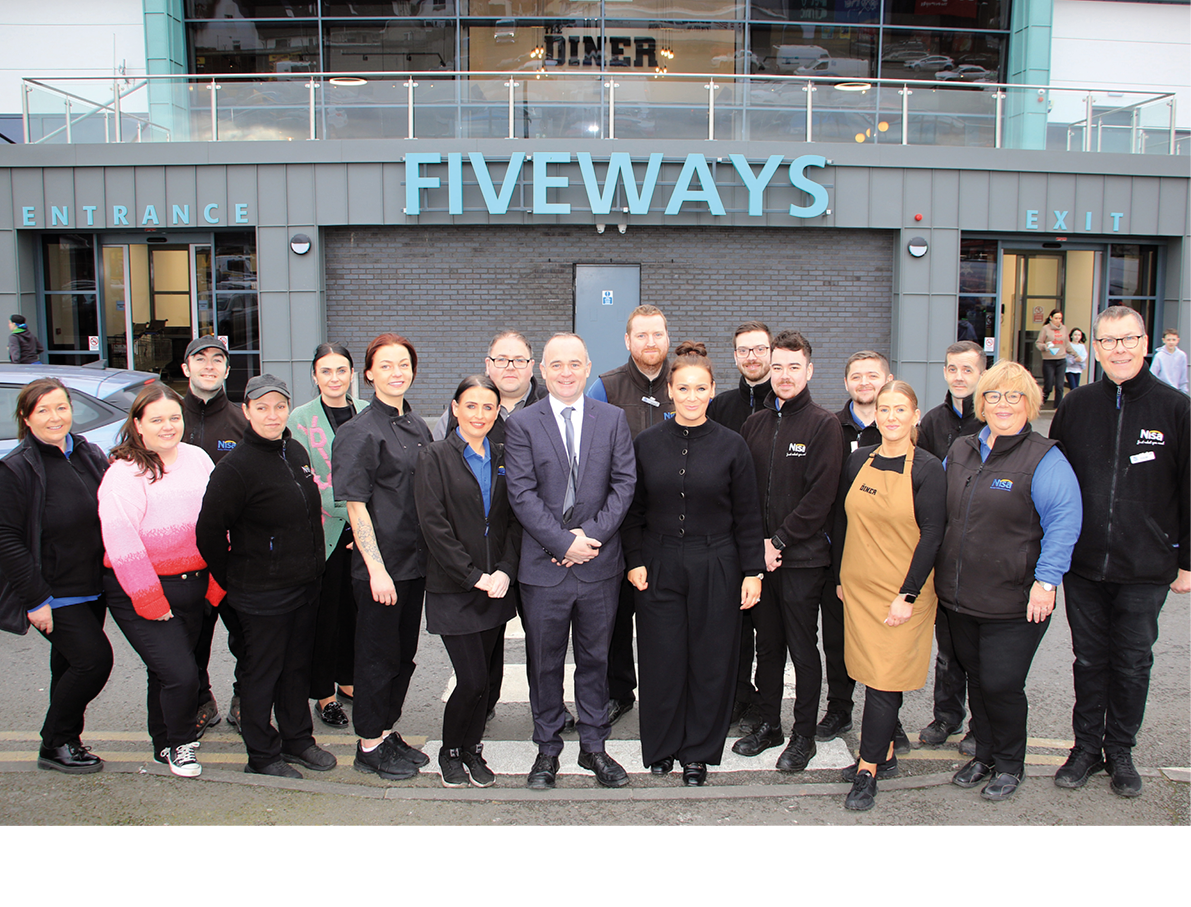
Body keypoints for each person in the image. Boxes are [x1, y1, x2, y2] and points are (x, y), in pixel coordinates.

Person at [1050, 306, 1191, 798]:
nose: (1118, 350)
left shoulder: (1176, 408)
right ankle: (1085, 748)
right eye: (1108, 342)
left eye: (1127, 340)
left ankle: (1121, 751)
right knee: (1088, 661)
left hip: (1146, 565)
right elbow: (1055, 483)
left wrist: (1186, 560)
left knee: (1132, 663)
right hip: (1084, 564)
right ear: (1097, 348)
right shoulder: (1076, 405)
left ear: (1145, 341)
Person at [938, 361, 1081, 801]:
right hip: (960, 596)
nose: (1003, 405)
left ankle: (1009, 764)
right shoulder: (961, 449)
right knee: (976, 679)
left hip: (1015, 600)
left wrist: (1047, 581)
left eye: (1014, 396)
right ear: (981, 403)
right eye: (994, 396)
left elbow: (1064, 520)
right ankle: (983, 754)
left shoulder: (1045, 457)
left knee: (1001, 683)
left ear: (1030, 403)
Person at [623, 342, 764, 786]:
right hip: (659, 563)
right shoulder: (645, 444)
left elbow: (748, 515)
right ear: (670, 390)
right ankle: (662, 748)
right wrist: (634, 560)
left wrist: (752, 571)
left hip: (717, 562)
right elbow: (633, 510)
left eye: (699, 388)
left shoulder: (732, 446)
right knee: (662, 658)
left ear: (711, 391)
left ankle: (699, 752)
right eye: (682, 387)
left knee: (710, 659)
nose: (690, 396)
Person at [505, 332, 636, 790]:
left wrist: (590, 538)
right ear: (542, 369)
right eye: (556, 364)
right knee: (543, 662)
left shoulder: (614, 419)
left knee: (595, 660)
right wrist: (562, 544)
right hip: (544, 568)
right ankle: (547, 751)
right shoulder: (522, 424)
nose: (565, 372)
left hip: (599, 565)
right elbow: (520, 494)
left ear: (587, 368)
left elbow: (624, 486)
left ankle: (595, 749)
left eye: (574, 364)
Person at [196, 375, 337, 779]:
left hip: (304, 586)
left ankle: (297, 741)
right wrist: (233, 579)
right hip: (260, 593)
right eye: (262, 407)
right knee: (261, 674)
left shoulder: (294, 451)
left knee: (296, 668)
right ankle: (261, 753)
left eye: (279, 406)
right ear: (247, 411)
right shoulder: (234, 468)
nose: (272, 415)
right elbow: (207, 533)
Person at [430, 330, 551, 727]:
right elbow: (441, 504)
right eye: (502, 359)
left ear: (532, 367)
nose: (510, 367)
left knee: (534, 640)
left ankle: (541, 708)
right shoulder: (462, 424)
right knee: (480, 657)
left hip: (527, 551)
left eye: (518, 360)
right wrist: (472, 570)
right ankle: (477, 711)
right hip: (474, 562)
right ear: (488, 364)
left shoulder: (549, 409)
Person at [98, 384, 220, 778]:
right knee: (180, 673)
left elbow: (220, 520)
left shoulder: (198, 458)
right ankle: (180, 744)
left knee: (168, 672)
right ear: (137, 425)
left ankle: (162, 741)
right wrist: (149, 598)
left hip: (195, 583)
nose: (168, 427)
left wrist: (218, 578)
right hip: (143, 589)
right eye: (157, 420)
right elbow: (121, 540)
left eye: (174, 418)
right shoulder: (124, 473)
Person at [834, 380, 945, 810]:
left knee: (884, 680)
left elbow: (934, 534)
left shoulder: (928, 469)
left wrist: (909, 594)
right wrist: (842, 577)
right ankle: (887, 753)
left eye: (901, 409)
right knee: (867, 672)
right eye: (885, 409)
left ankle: (867, 769)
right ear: (875, 415)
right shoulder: (859, 459)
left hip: (902, 592)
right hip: (859, 588)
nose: (892, 416)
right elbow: (844, 522)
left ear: (916, 415)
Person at [737, 331, 843, 772]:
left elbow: (820, 498)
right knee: (768, 647)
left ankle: (802, 735)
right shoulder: (755, 424)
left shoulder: (823, 424)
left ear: (809, 371)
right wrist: (756, 550)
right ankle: (769, 724)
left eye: (793, 367)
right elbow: (743, 493)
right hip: (760, 562)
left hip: (801, 561)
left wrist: (778, 542)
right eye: (777, 367)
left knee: (802, 648)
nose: (783, 375)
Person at [332, 333, 433, 782]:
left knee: (403, 656)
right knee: (376, 658)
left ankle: (386, 730)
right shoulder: (357, 431)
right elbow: (356, 505)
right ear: (368, 374)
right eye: (386, 365)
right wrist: (375, 569)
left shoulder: (418, 426)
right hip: (382, 570)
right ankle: (369, 743)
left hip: (416, 565)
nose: (397, 372)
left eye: (404, 364)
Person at [0, 378, 111, 773]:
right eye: (43, 410)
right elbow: (8, 539)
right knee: (94, 661)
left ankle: (69, 739)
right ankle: (54, 741)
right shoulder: (16, 468)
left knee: (67, 667)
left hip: (91, 585)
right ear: (27, 418)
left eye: (61, 407)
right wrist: (34, 600)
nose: (55, 417)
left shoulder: (86, 452)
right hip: (53, 592)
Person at [415, 375, 520, 788]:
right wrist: (474, 576)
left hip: (495, 587)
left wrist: (506, 571)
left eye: (488, 407)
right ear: (455, 408)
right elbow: (433, 525)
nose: (480, 414)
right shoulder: (434, 456)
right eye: (471, 405)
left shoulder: (503, 455)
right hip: (456, 588)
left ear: (497, 413)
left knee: (487, 683)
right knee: (472, 679)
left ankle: (473, 749)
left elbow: (512, 522)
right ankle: (450, 751)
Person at [588, 305, 675, 727]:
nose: (650, 343)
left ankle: (670, 691)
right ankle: (618, 692)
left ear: (667, 338)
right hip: (618, 526)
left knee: (665, 618)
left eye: (657, 334)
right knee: (616, 617)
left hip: (671, 526)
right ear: (627, 341)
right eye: (641, 335)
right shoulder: (605, 387)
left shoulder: (682, 383)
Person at [816, 350, 901, 749]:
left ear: (888, 379)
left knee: (884, 640)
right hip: (840, 554)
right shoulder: (830, 427)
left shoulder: (900, 428)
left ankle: (886, 715)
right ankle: (839, 707)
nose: (865, 383)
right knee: (837, 638)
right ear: (846, 383)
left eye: (873, 375)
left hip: (888, 562)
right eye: (857, 376)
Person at [287, 342, 366, 730]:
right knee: (324, 615)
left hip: (365, 533)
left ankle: (349, 680)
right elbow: (307, 482)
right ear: (314, 376)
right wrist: (352, 513)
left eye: (341, 370)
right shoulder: (298, 420)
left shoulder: (368, 413)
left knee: (355, 613)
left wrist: (367, 524)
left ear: (353, 374)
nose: (334, 378)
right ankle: (324, 692)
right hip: (325, 533)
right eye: (326, 371)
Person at [916, 339, 986, 753]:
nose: (959, 377)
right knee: (948, 646)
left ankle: (982, 724)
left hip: (980, 551)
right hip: (941, 549)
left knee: (979, 649)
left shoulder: (992, 418)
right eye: (952, 369)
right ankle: (947, 716)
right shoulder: (933, 422)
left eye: (967, 370)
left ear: (981, 373)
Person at [180, 335, 247, 736]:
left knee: (246, 635)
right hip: (184, 560)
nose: (209, 365)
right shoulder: (167, 417)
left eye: (217, 359)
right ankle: (201, 699)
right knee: (192, 640)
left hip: (236, 556)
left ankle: (246, 699)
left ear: (226, 369)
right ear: (186, 368)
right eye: (200, 359)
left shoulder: (242, 422)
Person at [708, 321, 772, 735]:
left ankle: (765, 707)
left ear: (771, 353)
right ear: (734, 356)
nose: (752, 356)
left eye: (759, 349)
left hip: (771, 539)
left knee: (768, 633)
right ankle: (734, 697)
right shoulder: (721, 406)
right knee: (730, 628)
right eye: (743, 350)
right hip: (724, 536)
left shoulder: (784, 403)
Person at [1035, 309, 1074, 408]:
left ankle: (1058, 407)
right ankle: (1041, 402)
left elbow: (1067, 344)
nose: (1058, 320)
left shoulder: (1064, 328)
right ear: (1051, 318)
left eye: (1060, 318)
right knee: (1048, 385)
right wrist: (1045, 347)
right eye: (1056, 318)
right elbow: (1038, 343)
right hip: (1049, 360)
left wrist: (1076, 354)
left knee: (1060, 386)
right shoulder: (1046, 329)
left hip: (1061, 359)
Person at [1150, 328, 1188, 393]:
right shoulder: (1159, 356)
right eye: (1168, 340)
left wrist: (1184, 392)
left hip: (1176, 392)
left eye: (1174, 340)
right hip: (1161, 391)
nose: (1171, 342)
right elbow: (1152, 375)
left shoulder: (1182, 356)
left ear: (1178, 340)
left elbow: (1183, 377)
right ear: (1163, 340)